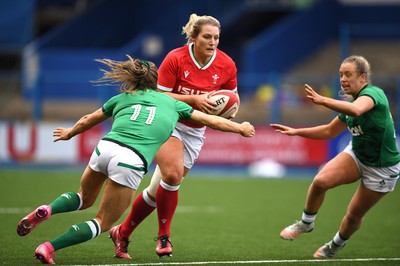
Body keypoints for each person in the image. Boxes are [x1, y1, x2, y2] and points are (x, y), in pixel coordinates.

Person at [16, 55, 255, 264]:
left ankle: (48, 209)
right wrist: (240, 127)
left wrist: (70, 133)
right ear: (156, 81)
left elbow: (89, 118)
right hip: (129, 160)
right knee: (102, 222)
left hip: (104, 149)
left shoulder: (123, 98)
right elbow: (212, 121)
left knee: (82, 197)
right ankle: (49, 247)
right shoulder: (172, 102)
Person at [110, 13, 240, 259]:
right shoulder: (175, 58)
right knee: (172, 174)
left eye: (216, 38)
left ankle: (122, 232)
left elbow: (233, 97)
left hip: (195, 130)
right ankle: (163, 236)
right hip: (167, 123)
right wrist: (194, 99)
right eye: (207, 37)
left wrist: (230, 112)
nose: (213, 42)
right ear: (193, 37)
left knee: (156, 189)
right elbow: (159, 97)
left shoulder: (227, 64)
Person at [270, 55, 400, 259]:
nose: (343, 79)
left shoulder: (373, 93)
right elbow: (329, 131)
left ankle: (334, 246)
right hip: (358, 155)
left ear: (363, 78)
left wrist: (323, 100)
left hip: (382, 168)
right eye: (340, 75)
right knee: (320, 181)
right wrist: (296, 132)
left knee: (353, 215)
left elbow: (357, 109)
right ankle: (306, 223)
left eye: (348, 74)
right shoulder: (350, 105)